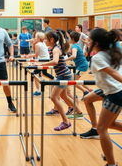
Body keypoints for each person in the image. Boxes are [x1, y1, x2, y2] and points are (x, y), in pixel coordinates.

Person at [84, 28, 122, 166]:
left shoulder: (98, 57)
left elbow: (112, 72)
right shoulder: (113, 51)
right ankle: (108, 153)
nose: (87, 41)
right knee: (88, 99)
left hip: (115, 93)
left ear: (97, 42)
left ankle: (111, 164)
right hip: (109, 90)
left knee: (102, 128)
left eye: (89, 40)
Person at [37, 30, 83, 130]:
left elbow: (55, 61)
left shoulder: (55, 49)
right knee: (63, 96)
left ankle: (66, 121)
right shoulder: (54, 48)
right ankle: (78, 111)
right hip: (63, 75)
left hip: (64, 76)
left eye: (46, 39)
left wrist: (41, 65)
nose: (44, 40)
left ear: (52, 40)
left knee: (53, 97)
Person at [27, 32, 54, 96]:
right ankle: (53, 79)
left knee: (34, 74)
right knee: (44, 73)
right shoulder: (43, 43)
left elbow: (36, 54)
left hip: (43, 61)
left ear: (38, 38)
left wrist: (28, 56)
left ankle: (38, 90)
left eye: (36, 37)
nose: (35, 38)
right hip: (46, 60)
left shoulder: (38, 44)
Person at [66, 31, 91, 99]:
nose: (68, 39)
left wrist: (65, 60)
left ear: (73, 39)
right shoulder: (75, 45)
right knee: (76, 81)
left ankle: (85, 91)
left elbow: (74, 56)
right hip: (82, 65)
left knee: (73, 81)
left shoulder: (74, 46)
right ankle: (89, 90)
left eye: (69, 38)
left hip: (82, 66)